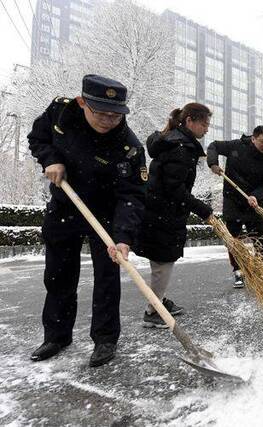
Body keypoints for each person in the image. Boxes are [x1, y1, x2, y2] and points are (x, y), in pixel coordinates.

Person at [27, 74, 147, 366]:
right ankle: (56, 335)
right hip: (65, 205)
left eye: (116, 114)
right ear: (82, 103)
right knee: (58, 274)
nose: (109, 120)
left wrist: (123, 238)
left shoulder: (129, 148)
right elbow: (37, 138)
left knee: (107, 277)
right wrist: (50, 159)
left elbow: (131, 196)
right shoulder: (62, 112)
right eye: (102, 112)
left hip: (105, 214)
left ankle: (105, 340)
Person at [133, 103, 214, 328]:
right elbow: (174, 189)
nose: (206, 129)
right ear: (190, 121)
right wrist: (202, 209)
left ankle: (159, 300)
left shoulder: (173, 140)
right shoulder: (182, 148)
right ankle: (153, 310)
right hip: (164, 212)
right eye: (204, 124)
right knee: (163, 261)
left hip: (157, 210)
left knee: (159, 260)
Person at [207, 126, 263, 288]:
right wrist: (213, 163)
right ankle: (238, 271)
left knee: (260, 239)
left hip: (254, 203)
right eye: (262, 141)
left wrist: (256, 196)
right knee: (234, 240)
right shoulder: (236, 146)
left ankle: (258, 269)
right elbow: (214, 146)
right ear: (253, 139)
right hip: (233, 201)